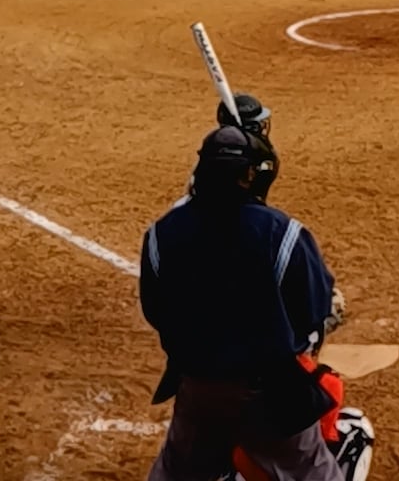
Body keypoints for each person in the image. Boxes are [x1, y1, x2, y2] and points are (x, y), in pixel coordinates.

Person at [140, 124, 353, 481]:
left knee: (175, 472)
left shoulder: (162, 233)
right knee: (310, 471)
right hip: (270, 390)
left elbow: (156, 310)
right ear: (249, 175)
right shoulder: (282, 232)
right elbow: (313, 309)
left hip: (198, 388)